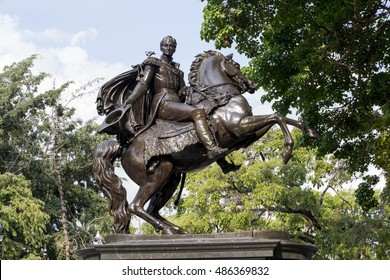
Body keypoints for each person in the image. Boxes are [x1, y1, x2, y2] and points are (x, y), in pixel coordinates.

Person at [122, 35, 226, 158]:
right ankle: (212, 149)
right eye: (166, 45)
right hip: (163, 104)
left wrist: (186, 91)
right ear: (161, 47)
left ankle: (221, 161)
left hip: (176, 104)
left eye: (171, 45)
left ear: (175, 48)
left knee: (209, 117)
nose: (168, 47)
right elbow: (144, 84)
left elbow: (181, 90)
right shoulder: (154, 64)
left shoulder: (178, 71)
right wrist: (132, 98)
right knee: (197, 113)